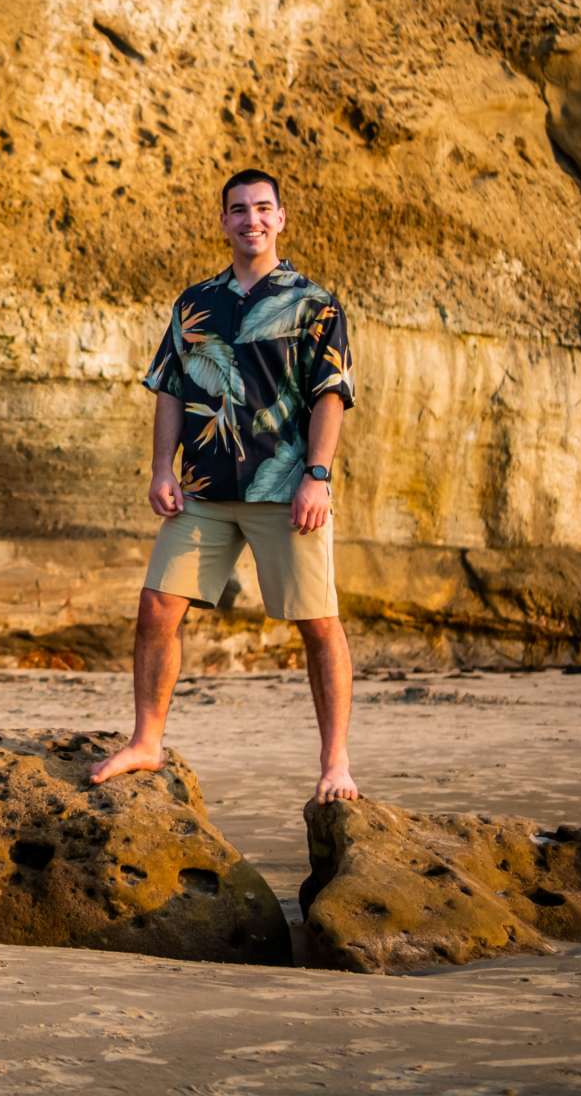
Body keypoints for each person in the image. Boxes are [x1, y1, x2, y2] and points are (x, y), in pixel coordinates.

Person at [90, 168, 359, 803]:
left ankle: (336, 764)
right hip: (204, 488)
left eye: (262, 208)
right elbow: (171, 390)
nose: (251, 220)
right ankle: (146, 741)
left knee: (319, 622)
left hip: (286, 487)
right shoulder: (194, 304)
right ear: (223, 222)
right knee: (158, 606)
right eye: (238, 210)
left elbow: (331, 395)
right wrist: (161, 469)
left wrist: (318, 476)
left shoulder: (314, 304)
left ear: (281, 217)